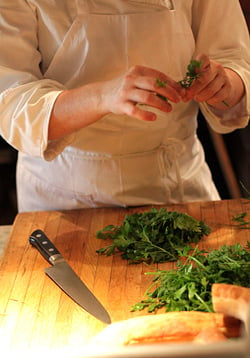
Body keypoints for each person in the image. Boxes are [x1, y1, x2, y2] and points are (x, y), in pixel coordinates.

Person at [0, 0, 249, 212]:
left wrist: (225, 83)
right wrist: (102, 96)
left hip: (178, 187)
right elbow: (11, 102)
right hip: (63, 197)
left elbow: (236, 61)